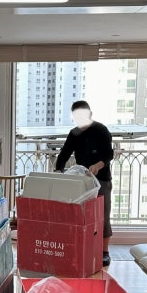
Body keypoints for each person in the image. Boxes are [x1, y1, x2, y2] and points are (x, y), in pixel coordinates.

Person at [54, 100, 114, 267]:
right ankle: (82, 247)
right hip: (81, 181)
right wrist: (58, 170)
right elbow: (64, 153)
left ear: (90, 115)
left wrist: (97, 166)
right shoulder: (74, 133)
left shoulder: (101, 130)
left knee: (102, 214)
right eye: (76, 118)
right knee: (81, 214)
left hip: (101, 179)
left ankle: (104, 252)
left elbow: (108, 154)